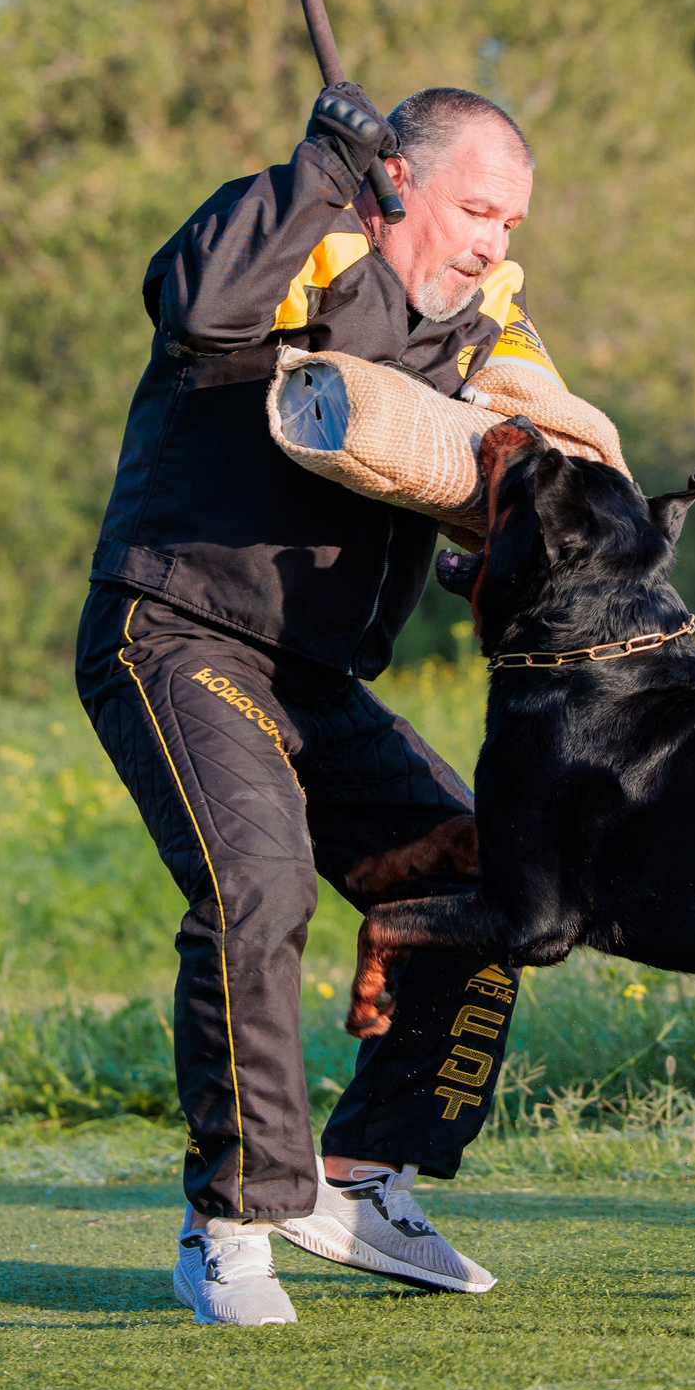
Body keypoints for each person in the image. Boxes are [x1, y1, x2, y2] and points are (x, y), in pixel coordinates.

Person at [74, 82, 561, 1326]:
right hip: (176, 630)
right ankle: (231, 1223)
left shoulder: (487, 314)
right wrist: (317, 166)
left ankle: (362, 1175)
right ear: (400, 181)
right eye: (474, 208)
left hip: (315, 677)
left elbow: (556, 436)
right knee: (260, 884)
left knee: (487, 886)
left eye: (510, 220)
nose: (494, 240)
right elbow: (196, 307)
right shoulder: (302, 238)